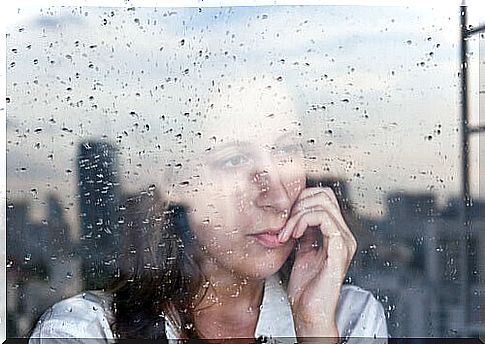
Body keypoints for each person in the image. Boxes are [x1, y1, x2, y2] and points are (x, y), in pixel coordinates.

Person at [29, 76, 388, 343]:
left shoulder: (347, 319)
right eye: (234, 160)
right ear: (178, 182)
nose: (277, 196)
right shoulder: (84, 330)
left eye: (286, 150)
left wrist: (314, 330)